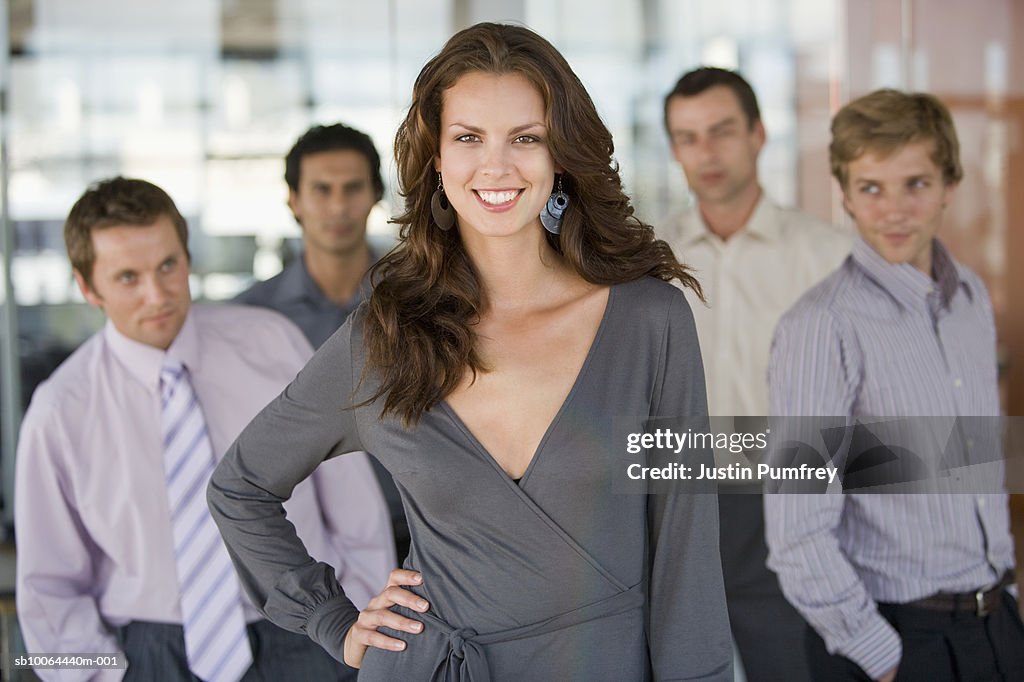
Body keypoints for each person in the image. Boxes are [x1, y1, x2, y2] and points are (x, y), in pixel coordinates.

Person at [209, 22, 731, 681]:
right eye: (468, 138)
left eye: (526, 137)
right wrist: (334, 623)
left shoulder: (648, 321)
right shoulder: (383, 337)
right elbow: (241, 486)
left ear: (561, 154)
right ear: (436, 159)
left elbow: (686, 551)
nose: (497, 166)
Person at [14, 177, 394, 682]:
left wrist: (355, 627)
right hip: (151, 652)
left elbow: (353, 503)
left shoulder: (270, 342)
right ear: (88, 288)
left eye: (168, 266)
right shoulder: (60, 410)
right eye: (128, 277)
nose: (157, 295)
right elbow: (50, 587)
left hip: (307, 632)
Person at [764, 89, 1023, 682]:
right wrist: (885, 658)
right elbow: (797, 530)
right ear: (847, 196)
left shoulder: (972, 300)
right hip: (898, 641)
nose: (894, 210)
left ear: (950, 186)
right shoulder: (821, 327)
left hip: (994, 622)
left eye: (916, 183)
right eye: (871, 188)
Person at [659, 66, 850, 682]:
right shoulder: (645, 261)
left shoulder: (826, 256)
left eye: (721, 131)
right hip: (677, 502)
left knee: (791, 667)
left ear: (759, 134)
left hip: (792, 502)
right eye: (687, 137)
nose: (706, 152)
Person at [235, 122, 409, 561]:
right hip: (302, 541)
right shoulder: (249, 318)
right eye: (322, 190)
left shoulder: (421, 299)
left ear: (374, 195)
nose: (338, 206)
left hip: (418, 532)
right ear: (293, 200)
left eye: (352, 188)